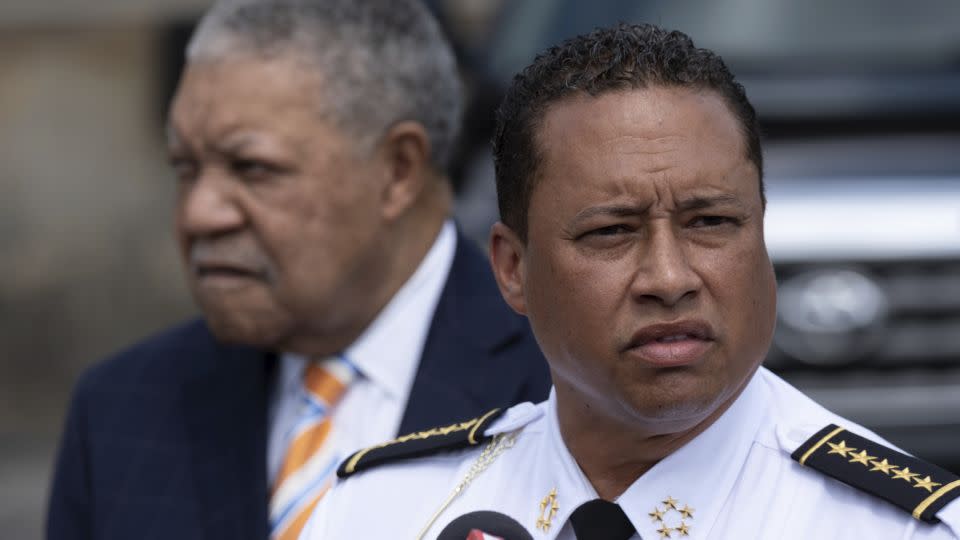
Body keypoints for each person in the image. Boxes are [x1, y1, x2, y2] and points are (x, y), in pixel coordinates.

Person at [300, 23, 960, 539]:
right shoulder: (384, 513)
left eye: (712, 222)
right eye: (611, 232)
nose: (669, 279)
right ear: (512, 270)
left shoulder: (897, 527)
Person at [45, 1, 550, 539]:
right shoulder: (120, 411)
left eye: (253, 168)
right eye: (185, 167)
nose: (199, 213)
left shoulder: (568, 387)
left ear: (399, 169)